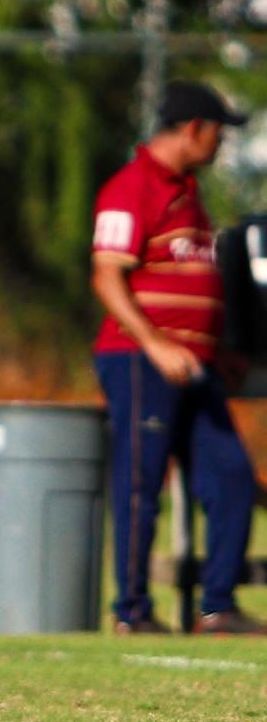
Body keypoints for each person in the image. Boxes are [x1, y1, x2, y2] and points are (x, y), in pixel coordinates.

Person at [90, 80, 263, 635]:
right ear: (194, 130)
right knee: (141, 486)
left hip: (197, 366)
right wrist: (156, 343)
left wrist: (220, 351)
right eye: (218, 132)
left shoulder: (189, 192)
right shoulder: (132, 187)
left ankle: (218, 607)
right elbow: (107, 276)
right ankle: (133, 613)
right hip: (141, 361)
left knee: (232, 478)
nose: (221, 145)